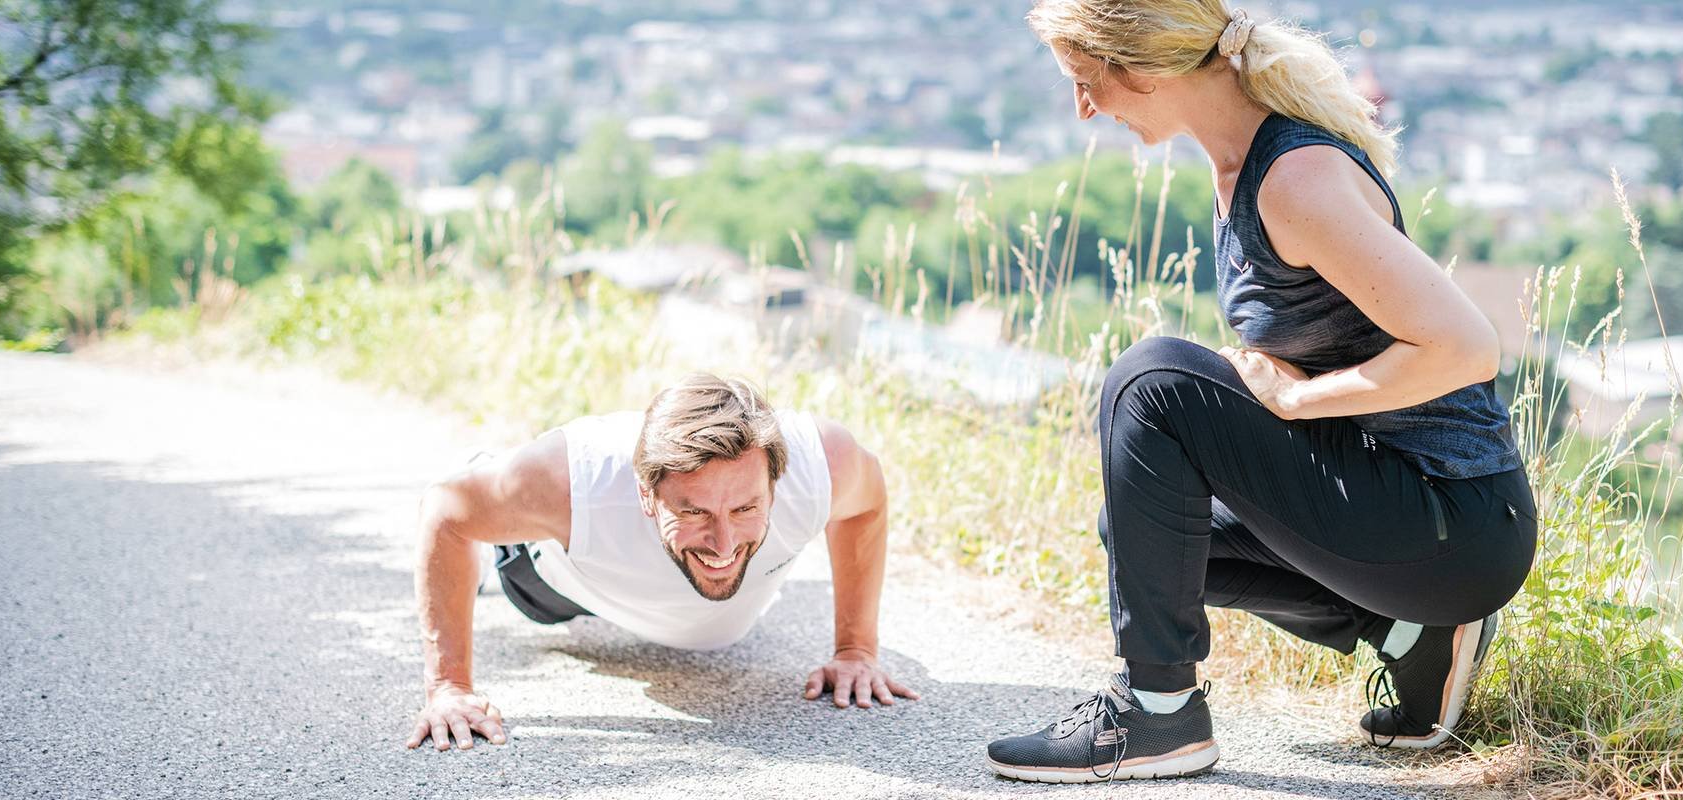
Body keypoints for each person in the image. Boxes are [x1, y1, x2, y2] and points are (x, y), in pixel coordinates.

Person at [987, 1, 1538, 782]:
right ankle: (1410, 631)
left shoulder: (1294, 177)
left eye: (1086, 81)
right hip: (1413, 523)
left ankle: (1159, 714)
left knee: (1148, 379)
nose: (1084, 109)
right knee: (1143, 533)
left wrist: (1292, 403)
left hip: (1458, 519)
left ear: (1143, 71)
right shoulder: (1243, 168)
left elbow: (1467, 347)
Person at [405, 374, 918, 752]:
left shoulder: (824, 464)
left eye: (745, 508)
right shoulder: (571, 484)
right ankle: (486, 468)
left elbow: (867, 506)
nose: (722, 544)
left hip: (706, 623)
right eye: (694, 512)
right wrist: (450, 686)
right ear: (647, 495)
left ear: (775, 484)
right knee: (492, 527)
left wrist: (856, 650)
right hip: (560, 582)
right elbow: (445, 513)